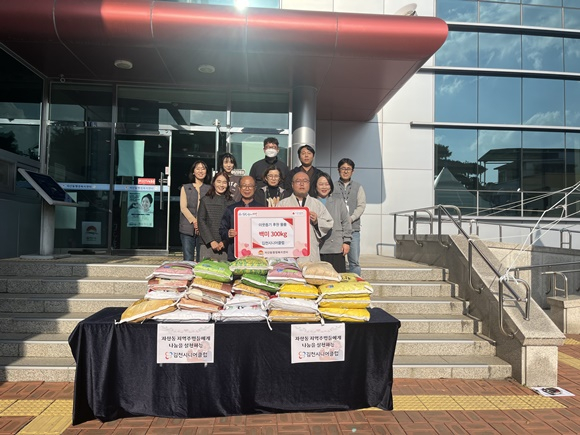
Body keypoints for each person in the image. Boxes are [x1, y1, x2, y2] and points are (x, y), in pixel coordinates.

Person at [278, 171, 333, 263]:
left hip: (310, 252)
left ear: (309, 184)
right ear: (292, 184)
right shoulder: (282, 204)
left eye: (305, 181)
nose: (302, 184)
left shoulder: (317, 204)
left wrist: (316, 221)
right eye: (298, 181)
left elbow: (329, 222)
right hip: (289, 252)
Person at [310, 172, 352, 273]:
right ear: (315, 186)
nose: (324, 187)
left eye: (327, 184)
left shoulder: (339, 202)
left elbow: (346, 222)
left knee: (337, 276)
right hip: (317, 248)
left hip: (335, 247)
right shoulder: (311, 203)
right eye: (321, 184)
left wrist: (346, 242)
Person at [219, 176, 262, 261]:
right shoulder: (231, 209)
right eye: (244, 186)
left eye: (250, 186)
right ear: (239, 188)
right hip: (235, 254)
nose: (247, 189)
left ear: (255, 188)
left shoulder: (262, 209)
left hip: (258, 255)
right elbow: (222, 229)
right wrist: (228, 233)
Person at [336, 158, 366, 276]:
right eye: (343, 168)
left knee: (354, 262)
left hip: (353, 229)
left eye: (348, 169)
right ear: (338, 170)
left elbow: (361, 206)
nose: (345, 171)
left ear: (353, 171)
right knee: (337, 260)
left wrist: (351, 218)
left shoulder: (358, 187)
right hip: (337, 230)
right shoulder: (332, 186)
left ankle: (356, 284)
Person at [197, 171, 234, 261]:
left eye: (224, 182)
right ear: (213, 183)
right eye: (219, 181)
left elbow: (233, 224)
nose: (221, 185)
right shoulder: (205, 200)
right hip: (207, 244)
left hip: (225, 245)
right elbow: (201, 221)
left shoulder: (232, 202)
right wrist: (211, 241)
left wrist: (225, 242)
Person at [179, 160, 210, 262]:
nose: (200, 171)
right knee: (188, 259)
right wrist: (195, 221)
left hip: (204, 229)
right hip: (187, 228)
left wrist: (201, 223)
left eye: (203, 169)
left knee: (202, 259)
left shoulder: (210, 189)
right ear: (193, 171)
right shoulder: (185, 188)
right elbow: (183, 207)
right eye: (198, 169)